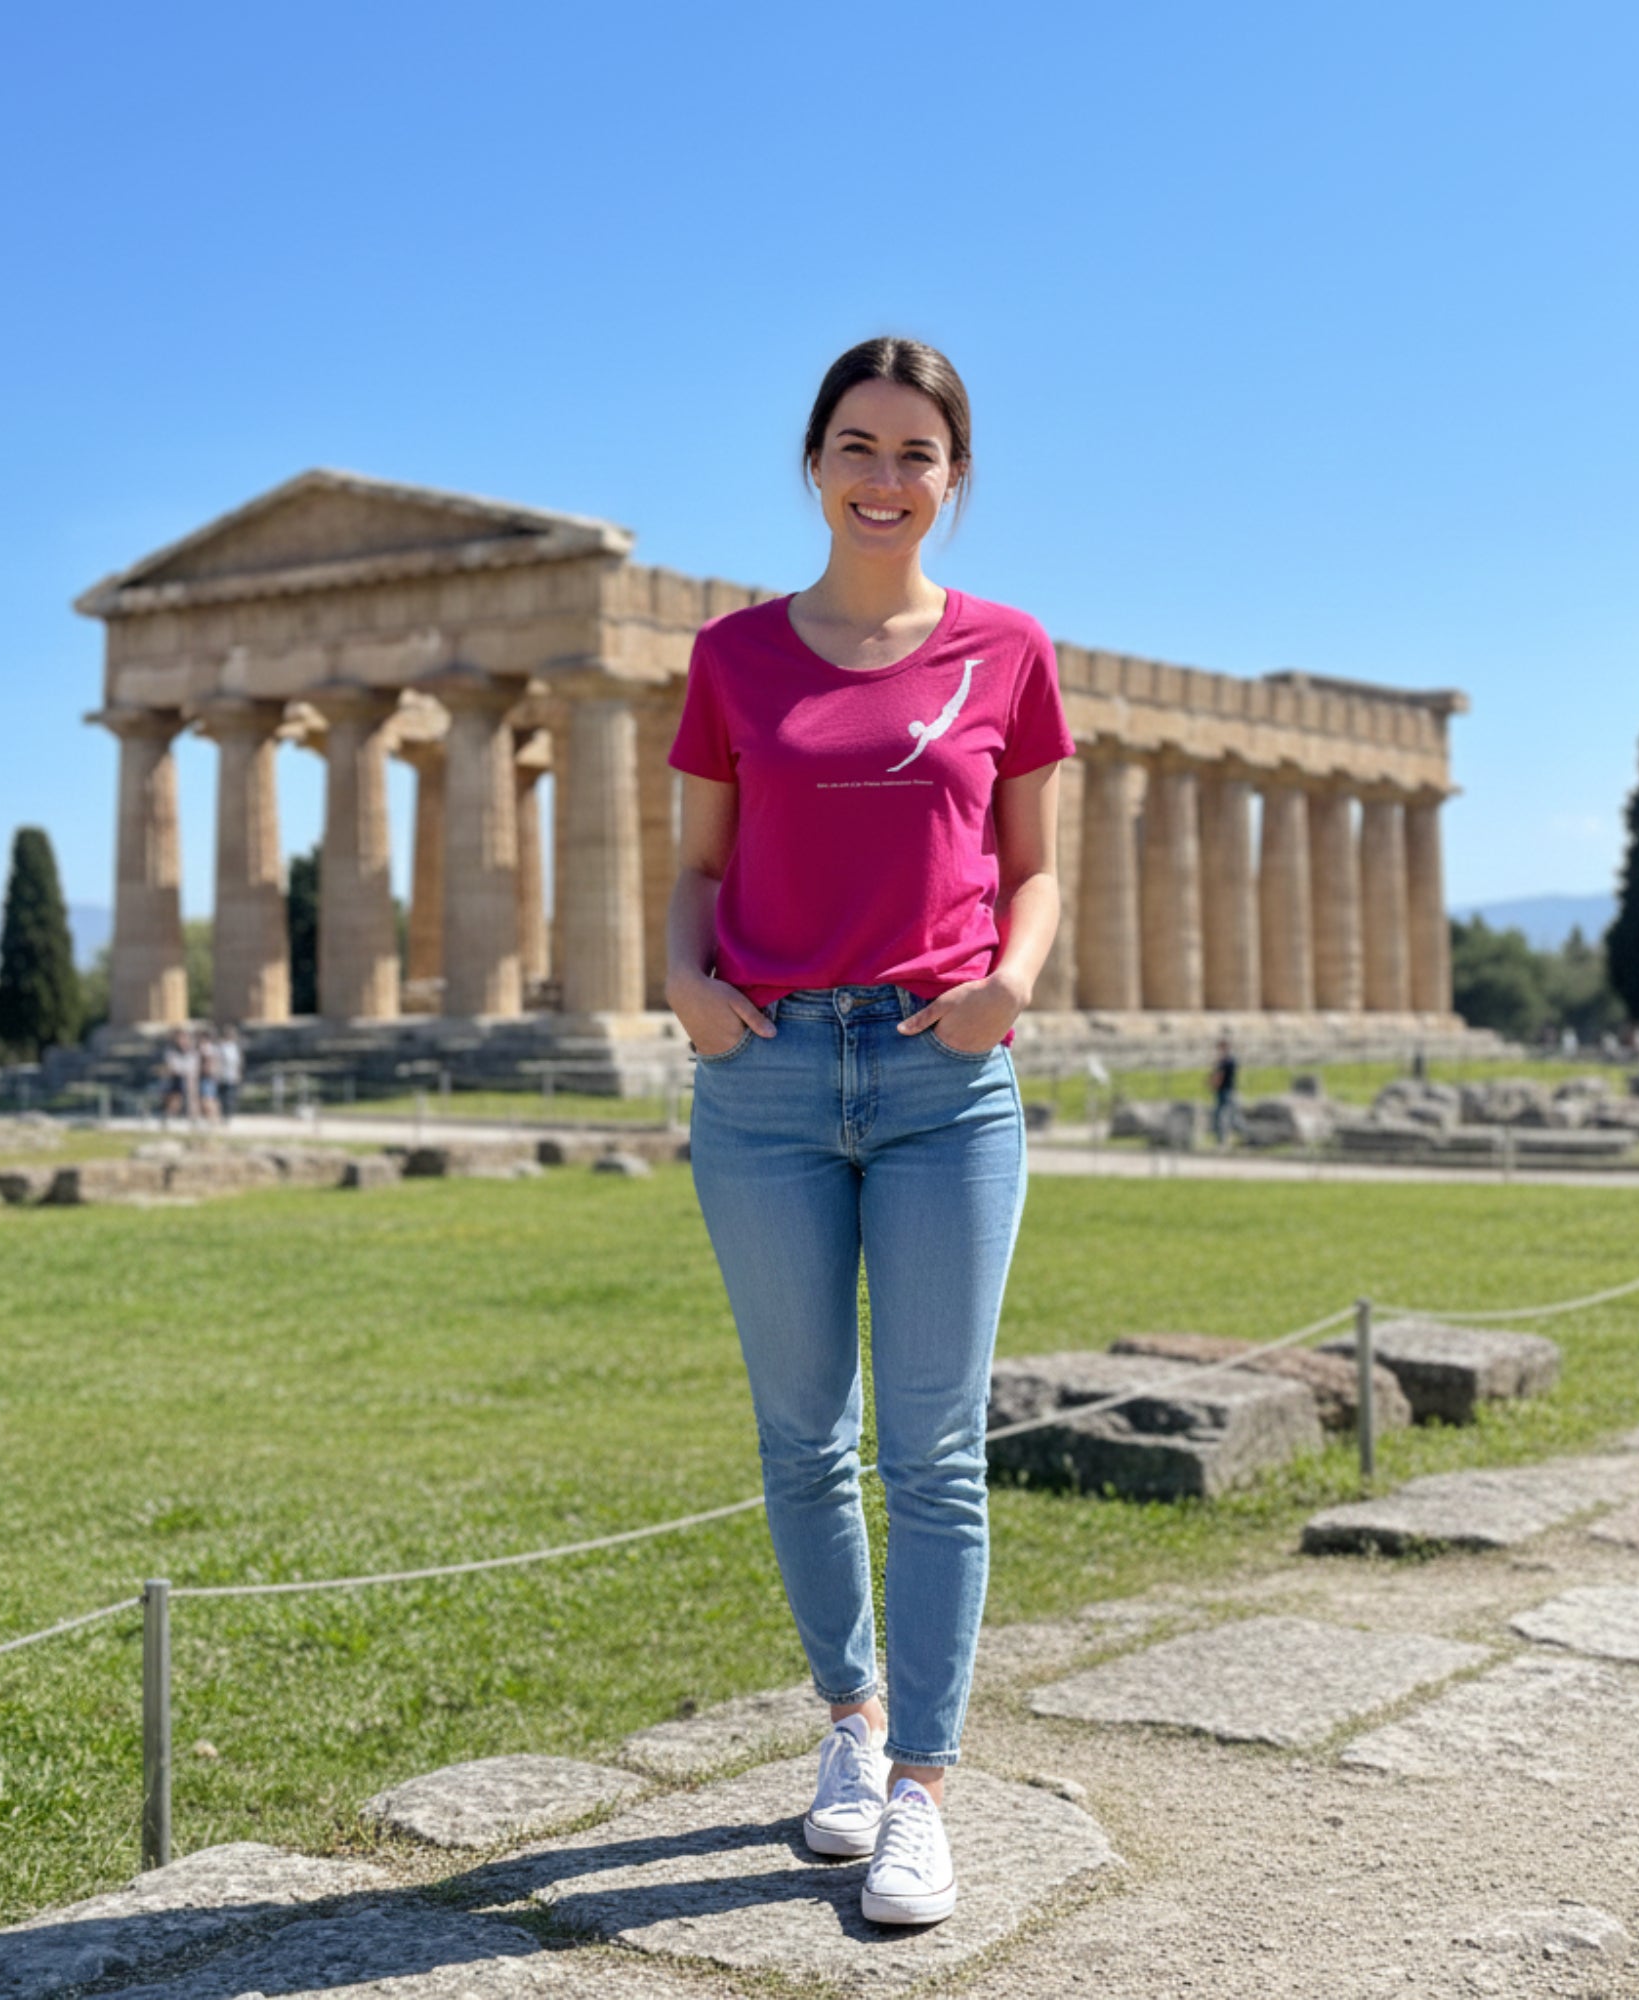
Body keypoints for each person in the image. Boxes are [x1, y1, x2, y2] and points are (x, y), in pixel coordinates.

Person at [666, 337, 1072, 1929]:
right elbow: (699, 862)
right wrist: (681, 977)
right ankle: (847, 1726)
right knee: (800, 1435)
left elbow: (1034, 867)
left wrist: (1009, 985)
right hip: (763, 1075)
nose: (884, 476)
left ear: (954, 477)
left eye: (916, 452)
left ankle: (922, 1791)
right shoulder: (733, 658)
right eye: (857, 445)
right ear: (814, 464)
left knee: (938, 1452)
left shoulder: (1011, 650)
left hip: (940, 1074)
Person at [1210, 1036, 1242, 1146]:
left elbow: (1220, 1076)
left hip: (1226, 1091)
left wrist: (1213, 1084)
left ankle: (1224, 1139)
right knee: (1227, 1115)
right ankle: (1226, 1138)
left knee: (1225, 1116)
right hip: (1225, 1091)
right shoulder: (1226, 1061)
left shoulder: (1227, 1061)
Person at [217, 1027, 245, 1122]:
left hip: (232, 1076)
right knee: (223, 1097)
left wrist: (239, 1073)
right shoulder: (221, 1047)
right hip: (222, 1076)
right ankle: (223, 1114)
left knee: (231, 1096)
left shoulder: (235, 1047)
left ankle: (228, 1115)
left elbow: (238, 1062)